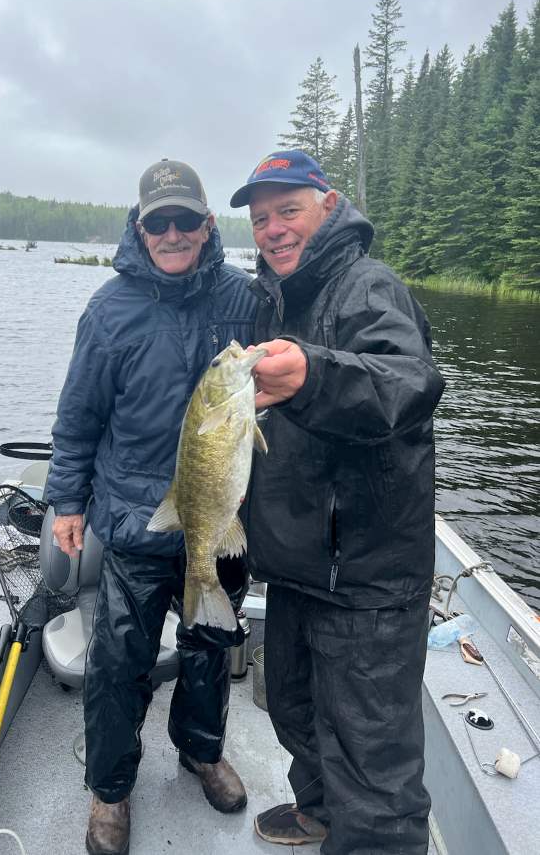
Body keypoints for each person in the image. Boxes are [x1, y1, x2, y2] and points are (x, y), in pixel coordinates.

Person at [229, 150, 445, 854]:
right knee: (294, 711)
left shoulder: (368, 287)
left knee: (373, 768)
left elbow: (406, 382)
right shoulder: (274, 298)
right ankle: (319, 809)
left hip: (366, 577)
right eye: (262, 219)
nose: (274, 229)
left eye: (288, 210)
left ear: (329, 204)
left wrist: (314, 375)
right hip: (297, 565)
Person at [45, 159, 256, 855]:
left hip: (219, 518)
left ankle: (201, 751)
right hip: (138, 521)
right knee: (117, 663)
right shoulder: (109, 310)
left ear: (205, 226)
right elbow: (77, 418)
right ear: (140, 228)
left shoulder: (245, 300)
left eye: (184, 220)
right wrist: (68, 501)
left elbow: (296, 353)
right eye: (157, 221)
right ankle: (110, 789)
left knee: (210, 647)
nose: (172, 232)